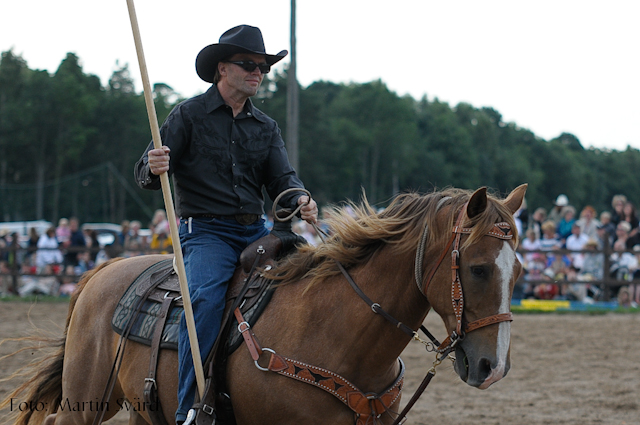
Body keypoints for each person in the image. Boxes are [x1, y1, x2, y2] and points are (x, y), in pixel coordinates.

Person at [134, 24, 318, 424]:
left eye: (264, 67)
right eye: (249, 64)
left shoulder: (265, 127)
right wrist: (153, 167)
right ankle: (188, 409)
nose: (258, 72)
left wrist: (300, 194)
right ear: (222, 69)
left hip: (257, 231)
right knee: (204, 301)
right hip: (206, 234)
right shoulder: (187, 115)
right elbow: (145, 171)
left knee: (318, 281)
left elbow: (282, 178)